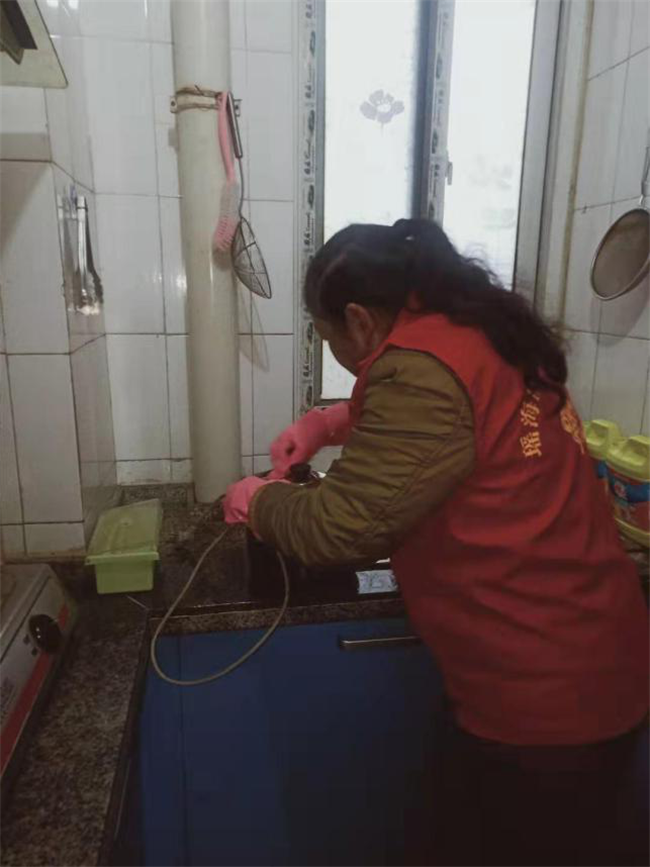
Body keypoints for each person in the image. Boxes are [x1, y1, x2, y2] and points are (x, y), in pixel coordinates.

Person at [224, 219, 649, 866]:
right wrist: (328, 422)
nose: (335, 349)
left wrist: (257, 500)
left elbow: (341, 525)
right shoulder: (474, 328)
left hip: (545, 695)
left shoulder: (421, 368)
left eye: (328, 337)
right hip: (585, 657)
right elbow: (461, 422)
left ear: (359, 320)